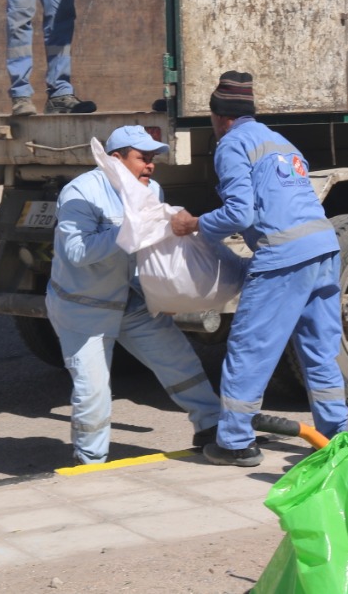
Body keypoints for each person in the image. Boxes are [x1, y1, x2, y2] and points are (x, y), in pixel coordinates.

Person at [170, 72, 347, 466]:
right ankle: (336, 437)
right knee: (319, 351)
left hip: (284, 256)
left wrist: (193, 224)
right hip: (323, 248)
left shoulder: (231, 144)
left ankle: (235, 442)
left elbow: (239, 213)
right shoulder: (281, 142)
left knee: (250, 347)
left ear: (220, 116)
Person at [46, 125, 221, 464]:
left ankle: (213, 428)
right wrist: (129, 231)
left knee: (182, 365)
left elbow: (150, 247)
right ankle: (91, 463)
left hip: (134, 301)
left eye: (153, 158)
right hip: (85, 309)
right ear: (116, 159)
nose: (151, 165)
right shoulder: (80, 192)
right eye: (143, 158)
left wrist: (161, 293)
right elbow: (77, 252)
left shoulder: (150, 189)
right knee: (93, 393)